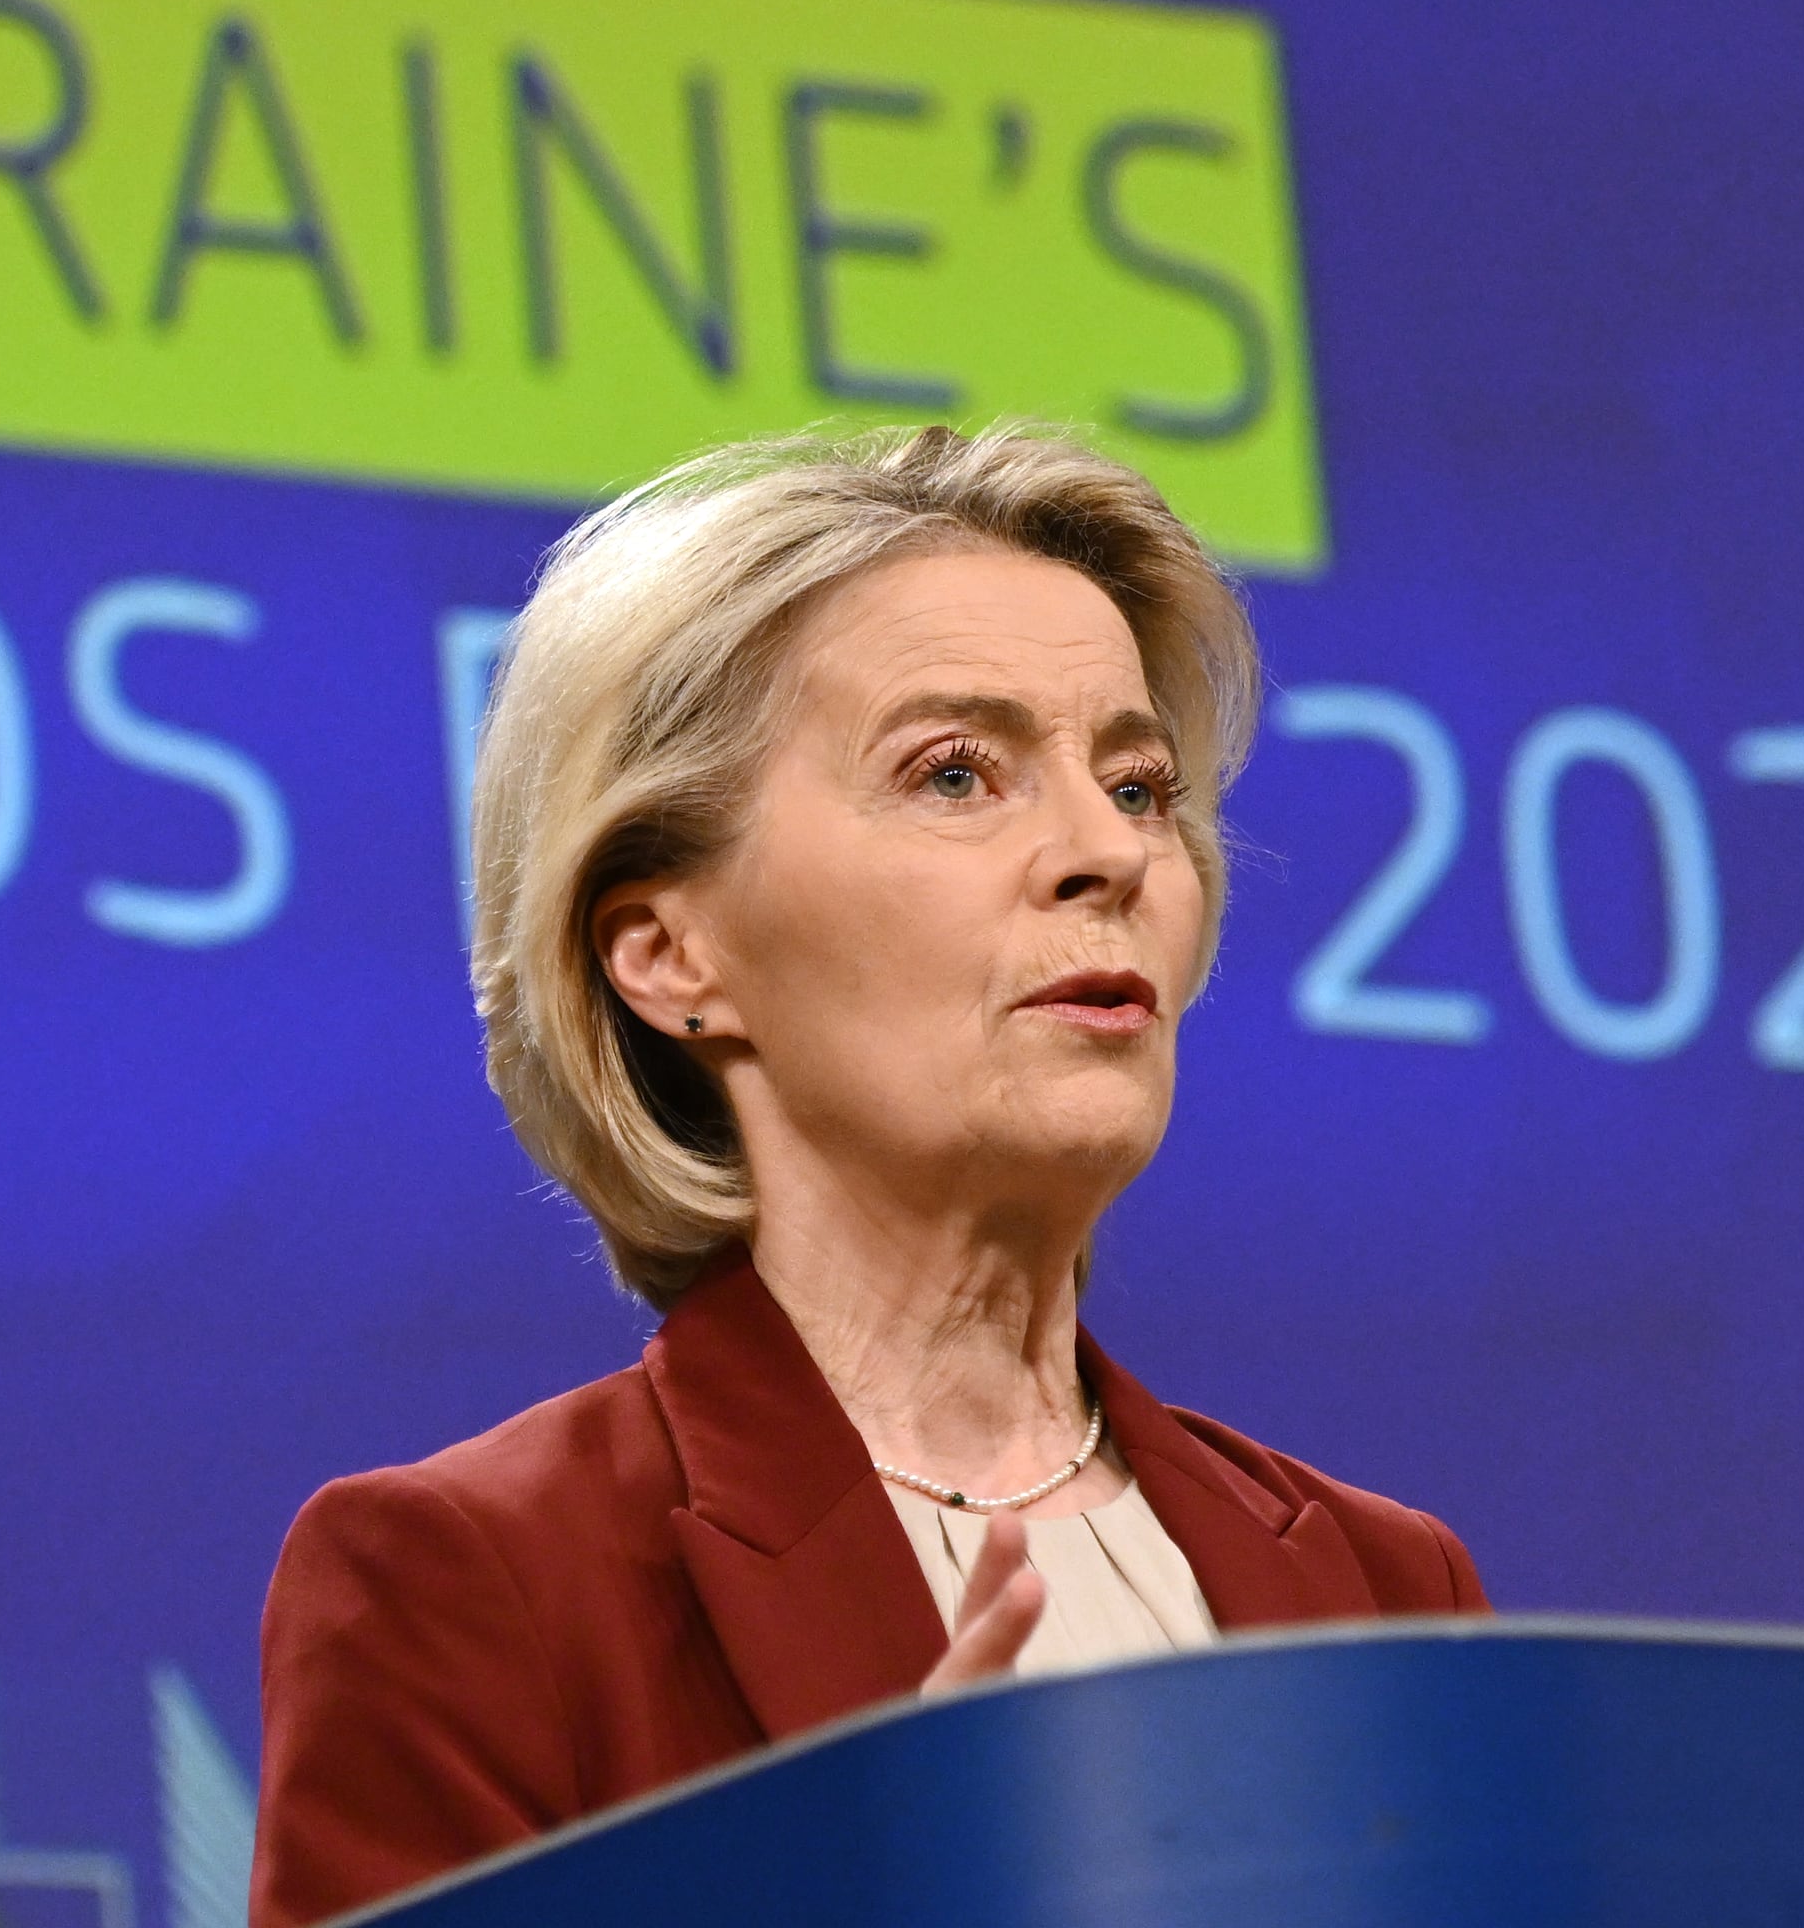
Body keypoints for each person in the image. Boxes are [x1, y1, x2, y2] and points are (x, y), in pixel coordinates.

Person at [250, 423, 1485, 1925]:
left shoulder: (1384, 1591)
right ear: (670, 954)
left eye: (1138, 786)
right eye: (956, 774)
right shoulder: (479, 1587)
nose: (1106, 854)